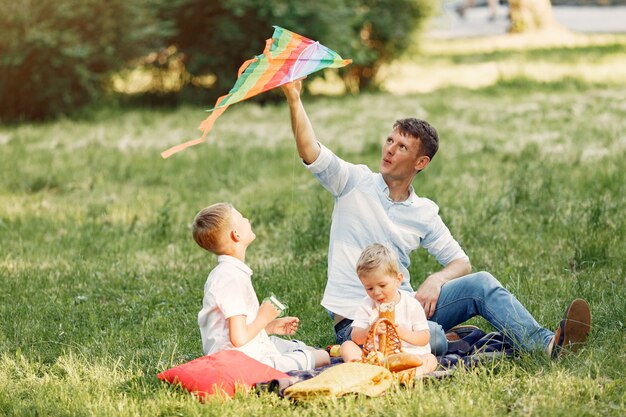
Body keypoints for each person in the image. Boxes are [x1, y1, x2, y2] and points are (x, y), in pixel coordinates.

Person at [281, 78, 591, 358]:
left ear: (421, 162)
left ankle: (549, 345)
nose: (389, 150)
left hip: (408, 308)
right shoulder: (352, 182)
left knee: (481, 284)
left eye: (401, 146)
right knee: (433, 338)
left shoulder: (423, 211)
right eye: (389, 141)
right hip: (360, 322)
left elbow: (461, 262)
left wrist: (436, 279)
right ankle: (449, 338)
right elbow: (310, 150)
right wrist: (295, 99)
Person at [193, 202, 330, 372]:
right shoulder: (230, 279)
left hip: (245, 351)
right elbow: (238, 338)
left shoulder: (229, 273)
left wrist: (270, 327)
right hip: (242, 363)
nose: (247, 219)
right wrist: (263, 318)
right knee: (323, 357)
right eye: (242, 218)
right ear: (236, 234)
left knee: (308, 349)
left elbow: (233, 331)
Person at [341, 244, 431, 363]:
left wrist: (402, 333)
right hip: (376, 357)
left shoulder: (411, 305)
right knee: (347, 346)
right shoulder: (367, 305)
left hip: (407, 356)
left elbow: (424, 338)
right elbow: (356, 337)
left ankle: (412, 374)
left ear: (398, 280)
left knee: (430, 359)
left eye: (382, 285)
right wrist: (371, 330)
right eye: (369, 288)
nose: (376, 293)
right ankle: (363, 369)